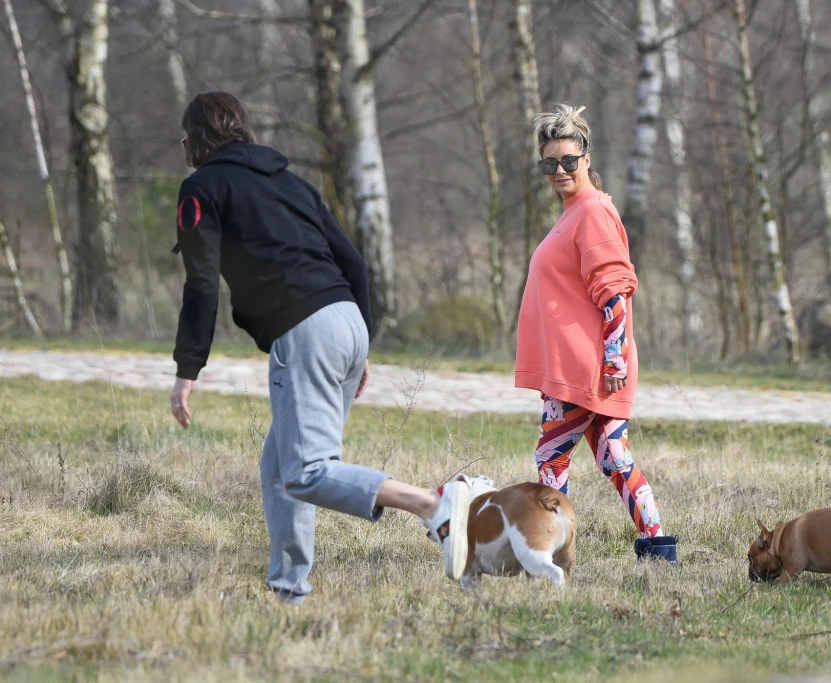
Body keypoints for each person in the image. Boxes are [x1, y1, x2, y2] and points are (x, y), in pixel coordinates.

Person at [168, 91, 474, 603]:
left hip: (305, 328)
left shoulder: (202, 188)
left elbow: (200, 284)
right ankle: (288, 590)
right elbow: (354, 262)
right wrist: (362, 346)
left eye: (184, 138)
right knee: (280, 467)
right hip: (347, 321)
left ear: (198, 139)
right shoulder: (292, 184)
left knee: (308, 472)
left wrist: (186, 370)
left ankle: (433, 504)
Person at [515, 103, 676, 562]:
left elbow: (614, 291)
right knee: (614, 457)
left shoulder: (592, 212)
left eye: (569, 160)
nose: (560, 170)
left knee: (551, 459)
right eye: (550, 163)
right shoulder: (575, 211)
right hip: (586, 362)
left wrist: (613, 359)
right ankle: (657, 548)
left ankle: (550, 550)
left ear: (586, 157)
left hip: (587, 366)